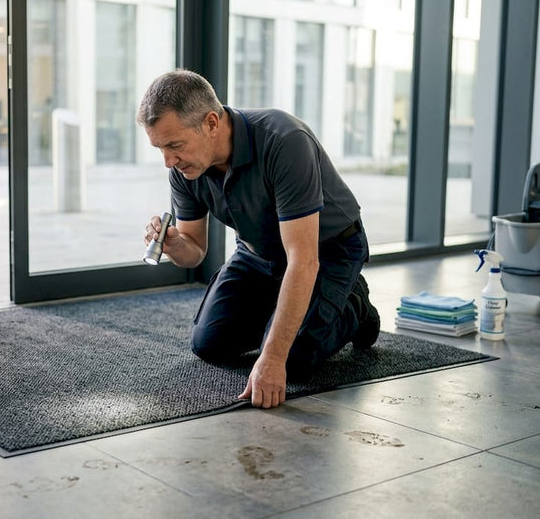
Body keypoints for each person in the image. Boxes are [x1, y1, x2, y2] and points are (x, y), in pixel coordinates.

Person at [139, 69, 380, 409]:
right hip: (258, 253)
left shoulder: (284, 141)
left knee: (292, 359)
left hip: (328, 251)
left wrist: (273, 356)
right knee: (209, 344)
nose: (168, 160)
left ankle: (356, 305)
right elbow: (194, 251)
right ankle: (290, 310)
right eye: (160, 148)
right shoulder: (185, 168)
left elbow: (303, 260)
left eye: (175, 145)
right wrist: (177, 246)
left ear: (211, 123)